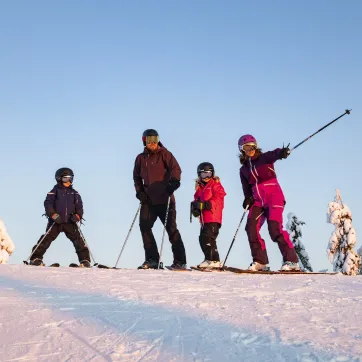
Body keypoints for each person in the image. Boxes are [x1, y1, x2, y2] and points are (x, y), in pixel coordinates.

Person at [238, 134, 300, 271]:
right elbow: (246, 188)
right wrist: (247, 198)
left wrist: (282, 153)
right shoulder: (243, 170)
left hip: (273, 197)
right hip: (257, 201)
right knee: (251, 228)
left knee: (274, 228)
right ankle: (260, 261)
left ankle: (291, 261)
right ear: (242, 150)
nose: (250, 150)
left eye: (252, 147)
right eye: (246, 148)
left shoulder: (264, 158)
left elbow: (275, 154)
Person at [133, 129, 187, 269]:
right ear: (144, 141)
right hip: (148, 200)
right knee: (145, 227)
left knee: (171, 229)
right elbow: (136, 177)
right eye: (149, 140)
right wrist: (140, 193)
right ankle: (152, 259)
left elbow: (176, 169)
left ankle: (180, 261)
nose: (152, 143)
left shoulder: (165, 154)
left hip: (165, 199)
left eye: (155, 139)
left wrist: (174, 183)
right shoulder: (140, 158)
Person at [29, 168, 91, 267]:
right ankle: (35, 258)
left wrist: (78, 216)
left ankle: (85, 260)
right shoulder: (54, 192)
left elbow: (80, 207)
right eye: (66, 179)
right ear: (59, 179)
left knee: (78, 240)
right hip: (56, 221)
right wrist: (53, 214)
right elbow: (48, 204)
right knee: (46, 239)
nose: (69, 181)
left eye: (71, 178)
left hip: (70, 221)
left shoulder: (75, 193)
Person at [191, 162, 226, 269]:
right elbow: (196, 200)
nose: (206, 177)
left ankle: (214, 260)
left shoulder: (215, 185)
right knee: (203, 239)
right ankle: (209, 259)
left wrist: (206, 204)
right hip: (204, 219)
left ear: (212, 174)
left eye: (208, 174)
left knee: (208, 238)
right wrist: (195, 208)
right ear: (199, 175)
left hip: (213, 217)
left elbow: (219, 199)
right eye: (203, 174)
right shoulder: (200, 188)